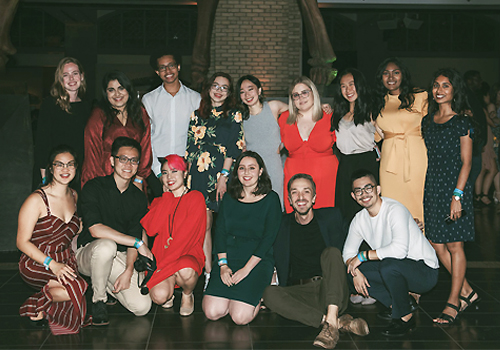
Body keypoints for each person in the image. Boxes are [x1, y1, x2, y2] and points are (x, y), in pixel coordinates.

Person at [263, 173, 369, 350]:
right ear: (289, 199)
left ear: (314, 197)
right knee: (269, 293)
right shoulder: (281, 224)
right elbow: (264, 249)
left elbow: (362, 235)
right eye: (295, 193)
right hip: (301, 292)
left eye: (306, 192)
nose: (301, 197)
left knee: (332, 253)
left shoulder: (331, 217)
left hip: (332, 289)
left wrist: (357, 268)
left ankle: (330, 318)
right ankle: (334, 323)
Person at [343, 169, 439, 336]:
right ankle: (400, 304)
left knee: (388, 265)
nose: (364, 194)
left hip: (425, 271)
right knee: (350, 273)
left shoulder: (394, 210)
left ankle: (405, 318)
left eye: (368, 188)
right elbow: (347, 254)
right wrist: (355, 270)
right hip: (395, 267)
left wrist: (362, 256)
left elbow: (399, 251)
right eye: (358, 190)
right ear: (353, 196)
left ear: (378, 189)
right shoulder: (359, 219)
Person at [421, 68, 479, 324]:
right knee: (435, 242)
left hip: (455, 188)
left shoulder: (463, 122)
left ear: (454, 91)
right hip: (433, 187)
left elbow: (466, 162)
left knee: (455, 245)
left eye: (446, 85)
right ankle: (467, 291)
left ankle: (454, 301)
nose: (439, 90)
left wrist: (457, 195)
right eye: (436, 85)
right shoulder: (427, 121)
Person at [77, 137, 153, 326]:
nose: (128, 164)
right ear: (112, 161)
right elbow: (95, 229)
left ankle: (107, 284)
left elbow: (135, 234)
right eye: (123, 159)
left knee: (142, 307)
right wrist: (138, 243)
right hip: (89, 253)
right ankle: (99, 300)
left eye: (134, 160)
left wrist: (128, 270)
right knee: (106, 246)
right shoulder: (94, 187)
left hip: (119, 256)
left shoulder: (138, 197)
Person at [203, 151, 281, 325]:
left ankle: (263, 290)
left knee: (239, 317)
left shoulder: (271, 199)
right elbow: (220, 232)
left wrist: (246, 270)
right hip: (229, 257)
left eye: (252, 168)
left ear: (260, 171)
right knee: (212, 312)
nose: (246, 173)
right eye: (242, 168)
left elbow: (268, 239)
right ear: (236, 172)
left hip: (257, 260)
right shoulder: (229, 198)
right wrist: (223, 266)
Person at [18, 145, 88, 334]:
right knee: (75, 290)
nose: (65, 169)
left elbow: (69, 233)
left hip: (65, 259)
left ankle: (41, 309)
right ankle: (33, 303)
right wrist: (53, 264)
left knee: (78, 293)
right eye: (59, 164)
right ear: (51, 168)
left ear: (76, 168)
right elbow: (22, 242)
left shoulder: (74, 195)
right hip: (38, 261)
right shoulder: (37, 199)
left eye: (70, 164)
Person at [186, 72, 245, 285]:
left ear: (229, 93)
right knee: (206, 224)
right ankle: (209, 274)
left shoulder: (234, 115)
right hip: (199, 176)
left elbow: (234, 147)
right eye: (216, 86)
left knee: (227, 224)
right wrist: (188, 181)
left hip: (223, 174)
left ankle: (231, 268)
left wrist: (224, 176)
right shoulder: (196, 115)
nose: (219, 90)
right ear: (209, 88)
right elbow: (191, 149)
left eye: (224, 87)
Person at [140, 154, 206, 316]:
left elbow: (184, 240)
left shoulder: (196, 198)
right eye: (164, 173)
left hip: (186, 255)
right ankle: (168, 292)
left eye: (174, 171)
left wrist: (158, 272)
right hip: (163, 258)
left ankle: (187, 295)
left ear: (185, 174)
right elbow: (151, 229)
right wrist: (167, 198)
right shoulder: (161, 200)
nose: (169, 177)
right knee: (159, 296)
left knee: (185, 269)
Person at [372, 57, 427, 223]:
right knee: (391, 203)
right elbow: (374, 135)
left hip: (416, 155)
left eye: (396, 73)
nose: (391, 77)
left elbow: (433, 123)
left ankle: (420, 242)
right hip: (389, 160)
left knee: (417, 200)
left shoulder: (420, 96)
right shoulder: (378, 102)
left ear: (403, 75)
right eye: (386, 73)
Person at [142, 49, 201, 197]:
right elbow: (147, 138)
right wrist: (159, 173)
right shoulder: (148, 100)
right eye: (162, 67)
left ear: (179, 67)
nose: (168, 70)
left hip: (187, 166)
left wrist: (190, 169)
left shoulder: (196, 99)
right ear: (157, 72)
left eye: (171, 65)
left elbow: (199, 137)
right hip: (159, 165)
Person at [82, 71, 152, 190]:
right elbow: (92, 152)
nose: (117, 94)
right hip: (104, 176)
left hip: (133, 177)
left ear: (128, 90)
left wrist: (139, 178)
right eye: (111, 90)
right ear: (106, 93)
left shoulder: (140, 113)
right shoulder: (99, 115)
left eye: (121, 88)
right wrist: (99, 184)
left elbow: (145, 148)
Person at [279, 76, 338, 213]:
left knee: (325, 220)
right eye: (296, 95)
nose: (301, 98)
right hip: (294, 179)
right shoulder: (284, 119)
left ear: (314, 93)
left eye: (305, 92)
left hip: (326, 179)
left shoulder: (330, 117)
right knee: (296, 222)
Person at [34, 57, 90, 192]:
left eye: (75, 73)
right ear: (60, 80)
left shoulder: (86, 107)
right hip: (55, 173)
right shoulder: (50, 105)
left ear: (81, 76)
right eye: (66, 75)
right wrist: (44, 178)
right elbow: (42, 141)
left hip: (77, 172)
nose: (71, 78)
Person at [331, 68, 380, 221]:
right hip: (345, 164)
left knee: (368, 209)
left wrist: (381, 152)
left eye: (352, 84)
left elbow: (387, 136)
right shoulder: (339, 113)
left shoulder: (372, 111)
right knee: (346, 209)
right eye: (343, 86)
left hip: (366, 163)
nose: (348, 90)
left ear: (360, 85)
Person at [236, 74, 288, 207]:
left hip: (274, 166)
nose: (247, 94)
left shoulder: (273, 107)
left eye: (250, 89)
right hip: (253, 172)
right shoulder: (240, 118)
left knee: (276, 205)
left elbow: (300, 110)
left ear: (259, 90)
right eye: (242, 92)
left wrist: (285, 142)